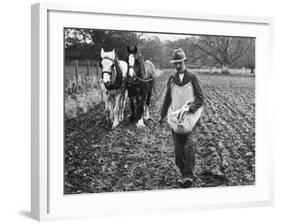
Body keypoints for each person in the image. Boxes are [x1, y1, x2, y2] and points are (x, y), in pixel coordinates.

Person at [159, 48, 204, 188]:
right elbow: (167, 98)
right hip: (176, 120)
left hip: (192, 119)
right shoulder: (172, 79)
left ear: (185, 62)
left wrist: (190, 108)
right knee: (178, 152)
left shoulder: (192, 77)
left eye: (180, 63)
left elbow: (200, 98)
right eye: (176, 63)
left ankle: (188, 176)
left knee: (189, 146)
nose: (178, 66)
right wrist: (162, 116)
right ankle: (184, 173)